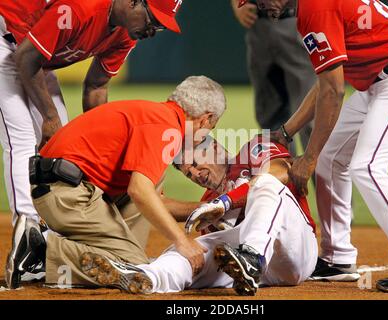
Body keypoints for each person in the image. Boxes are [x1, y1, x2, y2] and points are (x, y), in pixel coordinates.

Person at [244, 0, 388, 292]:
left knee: (368, 167)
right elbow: (324, 83)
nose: (259, 7)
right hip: (380, 80)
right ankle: (338, 259)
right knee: (332, 160)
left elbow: (334, 91)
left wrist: (308, 158)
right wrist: (286, 131)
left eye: (259, 0)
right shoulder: (312, 7)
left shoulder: (314, 9)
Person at [5, 75, 227, 290]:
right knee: (133, 268)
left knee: (152, 183)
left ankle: (102, 249)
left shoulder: (156, 115)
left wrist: (201, 209)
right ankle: (40, 247)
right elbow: (140, 192)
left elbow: (153, 201)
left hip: (66, 186)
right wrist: (183, 241)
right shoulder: (163, 125)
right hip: (67, 193)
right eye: (211, 127)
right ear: (205, 119)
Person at [0, 0, 184, 229]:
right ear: (134, 2)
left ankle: (52, 226)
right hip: (6, 39)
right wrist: (50, 117)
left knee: (62, 146)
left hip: (34, 55)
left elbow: (96, 87)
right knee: (22, 140)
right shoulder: (81, 8)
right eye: (152, 19)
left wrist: (101, 147)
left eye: (160, 26)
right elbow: (26, 58)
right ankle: (26, 232)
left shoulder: (126, 35)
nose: (152, 30)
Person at [77, 135, 317, 296]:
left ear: (213, 147)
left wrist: (225, 203)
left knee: (264, 183)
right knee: (192, 250)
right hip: (263, 275)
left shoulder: (253, 151)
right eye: (187, 173)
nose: (193, 173)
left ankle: (252, 258)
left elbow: (281, 174)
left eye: (193, 162)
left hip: (296, 250)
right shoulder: (207, 202)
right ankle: (146, 276)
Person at [230, 0, 316, 156]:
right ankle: (282, 179)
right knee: (271, 119)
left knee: (310, 119)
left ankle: (325, 181)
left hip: (295, 20)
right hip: (258, 24)